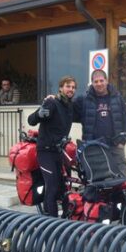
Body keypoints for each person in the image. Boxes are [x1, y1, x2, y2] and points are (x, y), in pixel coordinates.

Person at [27, 76, 76, 217]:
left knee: (65, 186)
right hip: (46, 151)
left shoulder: (70, 106)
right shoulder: (52, 102)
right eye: (68, 86)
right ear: (61, 88)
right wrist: (39, 113)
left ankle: (67, 218)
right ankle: (52, 223)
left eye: (73, 87)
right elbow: (31, 120)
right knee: (53, 186)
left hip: (60, 151)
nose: (71, 89)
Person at [74, 69, 126, 177]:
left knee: (122, 177)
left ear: (107, 81)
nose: (99, 84)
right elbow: (68, 109)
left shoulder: (117, 98)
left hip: (115, 146)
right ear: (92, 83)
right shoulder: (84, 99)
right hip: (94, 148)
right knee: (97, 179)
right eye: (96, 81)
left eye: (101, 80)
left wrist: (122, 141)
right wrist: (56, 99)